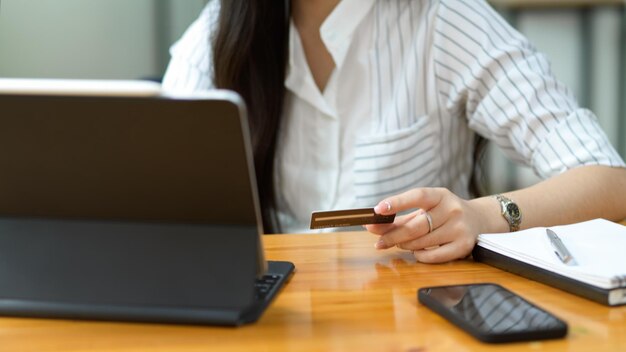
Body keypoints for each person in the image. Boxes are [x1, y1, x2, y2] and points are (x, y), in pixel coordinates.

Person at [162, 0, 626, 263]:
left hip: (416, 324)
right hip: (276, 324)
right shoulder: (223, 29)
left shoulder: (445, 18)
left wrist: (484, 216)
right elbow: (152, 197)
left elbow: (609, 182)